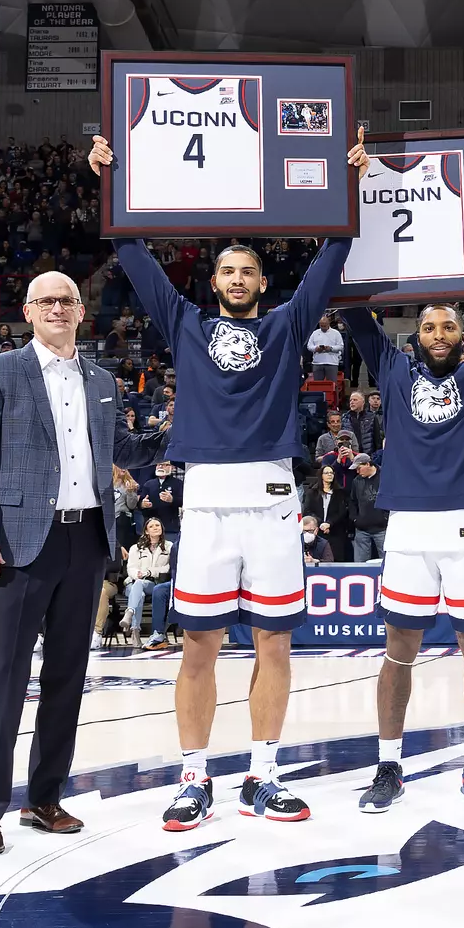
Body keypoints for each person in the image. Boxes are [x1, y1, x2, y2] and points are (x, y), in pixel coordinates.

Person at [88, 128, 369, 831]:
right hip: (208, 497)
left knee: (275, 643)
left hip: (272, 496)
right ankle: (193, 777)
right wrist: (107, 180)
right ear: (213, 283)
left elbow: (331, 262)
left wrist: (352, 186)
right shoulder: (183, 321)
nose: (238, 278)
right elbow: (132, 253)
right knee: (199, 647)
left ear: (261, 283)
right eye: (227, 271)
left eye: (248, 271)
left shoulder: (287, 323)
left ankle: (263, 774)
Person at [0, 271, 165, 856]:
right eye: (45, 300)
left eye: (66, 300)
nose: (56, 308)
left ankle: (44, 798)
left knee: (67, 678)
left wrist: (188, 430)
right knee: (2, 678)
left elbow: (124, 450)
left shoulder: (101, 380)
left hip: (86, 542)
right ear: (28, 310)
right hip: (20, 544)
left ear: (80, 311)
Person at [338, 296, 464, 813]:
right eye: (428, 327)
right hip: (408, 524)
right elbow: (356, 314)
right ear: (416, 336)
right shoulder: (392, 368)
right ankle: (388, 766)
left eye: (449, 326)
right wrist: (338, 244)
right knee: (398, 646)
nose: (439, 334)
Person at [123, 518, 174, 650]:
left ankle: (131, 619)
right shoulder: (136, 548)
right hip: (134, 583)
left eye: (158, 525)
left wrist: (150, 572)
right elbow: (131, 568)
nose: (155, 527)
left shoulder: (169, 546)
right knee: (137, 588)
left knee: (140, 586)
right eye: (151, 526)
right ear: (146, 530)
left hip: (154, 584)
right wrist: (138, 574)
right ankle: (134, 629)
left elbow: (169, 567)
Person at [346, 453, 384, 562]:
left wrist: (385, 518)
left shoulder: (385, 476)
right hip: (362, 529)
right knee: (359, 565)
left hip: (382, 528)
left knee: (388, 563)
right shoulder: (357, 481)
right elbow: (352, 502)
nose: (357, 472)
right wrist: (355, 519)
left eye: (359, 468)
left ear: (368, 464)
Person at [305, 313, 343, 381]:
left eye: (324, 325)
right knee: (317, 386)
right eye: (321, 325)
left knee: (332, 385)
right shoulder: (315, 333)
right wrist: (316, 348)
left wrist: (331, 348)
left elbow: (341, 346)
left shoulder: (336, 333)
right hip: (317, 363)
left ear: (328, 323)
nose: (323, 327)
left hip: (331, 363)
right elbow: (309, 346)